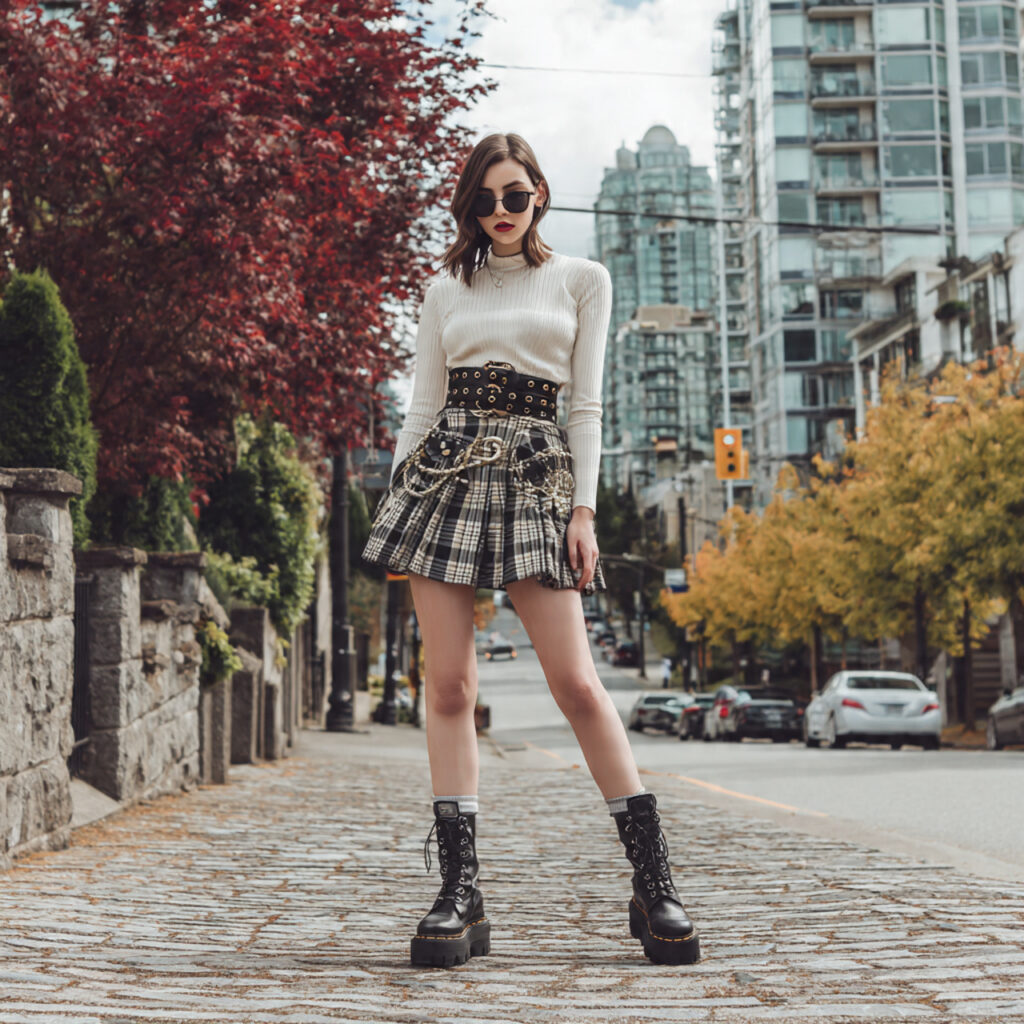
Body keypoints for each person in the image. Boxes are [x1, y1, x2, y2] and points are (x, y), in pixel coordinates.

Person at [361, 132, 699, 969]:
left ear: (540, 192)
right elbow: (420, 405)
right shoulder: (446, 287)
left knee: (579, 684)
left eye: (514, 195)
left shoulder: (583, 279)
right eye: (484, 200)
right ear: (468, 207)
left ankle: (652, 883)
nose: (501, 213)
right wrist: (400, 497)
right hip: (444, 472)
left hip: (536, 475)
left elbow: (585, 408)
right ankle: (460, 892)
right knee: (447, 685)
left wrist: (583, 511)